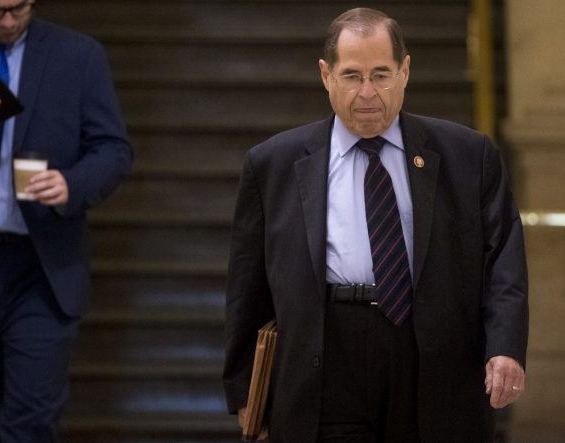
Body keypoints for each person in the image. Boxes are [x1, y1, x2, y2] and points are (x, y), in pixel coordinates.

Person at [223, 7, 527, 443]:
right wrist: (243, 388)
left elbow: (504, 260)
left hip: (430, 354)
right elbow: (246, 287)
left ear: (405, 72)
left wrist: (506, 347)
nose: (367, 93)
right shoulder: (272, 165)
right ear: (326, 75)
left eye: (380, 75)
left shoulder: (468, 156)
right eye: (352, 76)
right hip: (324, 353)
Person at [0, 0, 132, 441]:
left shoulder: (77, 55)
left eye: (18, 9)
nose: (7, 22)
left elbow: (114, 150)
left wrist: (72, 183)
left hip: (41, 265)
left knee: (30, 421)